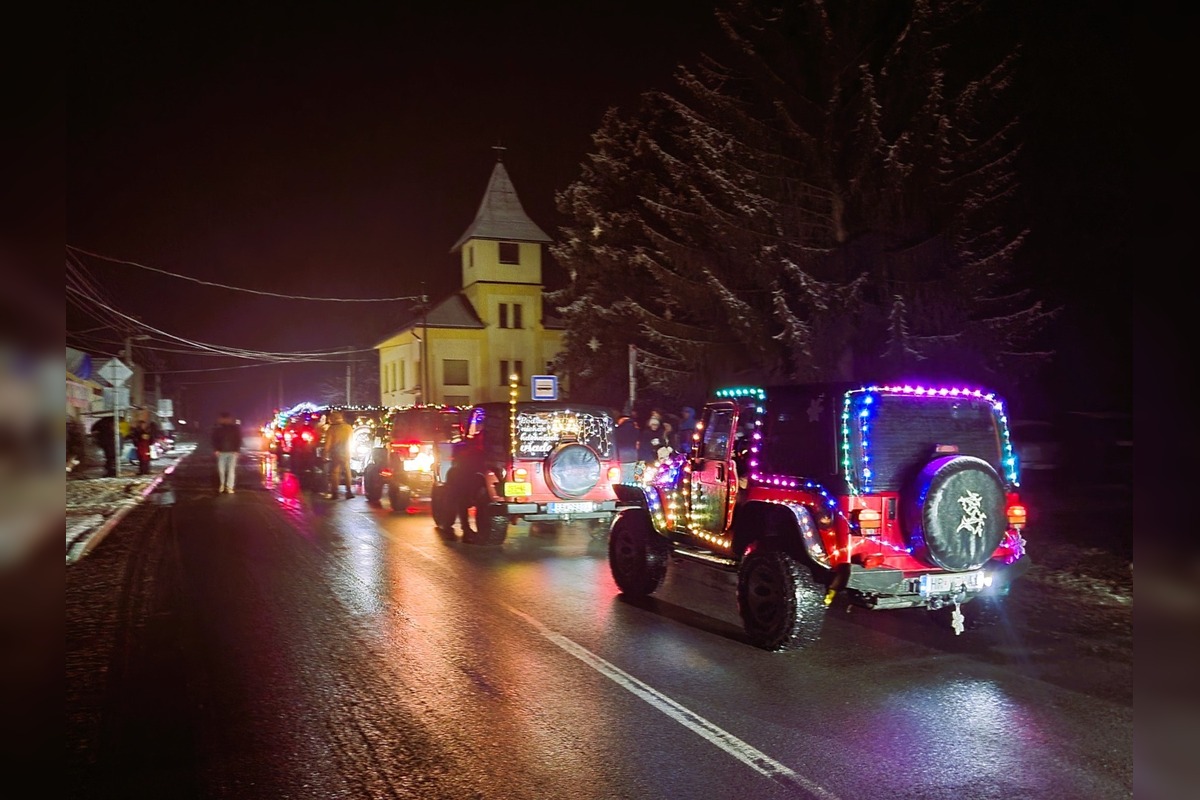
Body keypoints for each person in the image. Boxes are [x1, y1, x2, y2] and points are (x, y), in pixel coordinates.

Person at [446, 441, 486, 536]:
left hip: (465, 480)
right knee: (461, 503)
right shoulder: (477, 453)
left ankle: (463, 527)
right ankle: (465, 527)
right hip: (467, 480)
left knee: (459, 503)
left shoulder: (465, 454)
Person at [323, 410, 354, 499]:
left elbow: (328, 443)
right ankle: (349, 492)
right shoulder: (348, 427)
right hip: (346, 453)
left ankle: (335, 493)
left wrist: (325, 453)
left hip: (336, 453)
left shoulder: (332, 429)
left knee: (335, 472)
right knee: (347, 471)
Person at [211, 411, 243, 494]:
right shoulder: (218, 429)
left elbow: (238, 439)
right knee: (223, 470)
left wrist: (237, 450)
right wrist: (216, 449)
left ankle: (229, 487)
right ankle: (223, 485)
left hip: (231, 452)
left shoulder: (234, 428)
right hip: (222, 452)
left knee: (230, 470)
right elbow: (214, 440)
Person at [614, 415, 639, 483]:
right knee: (631, 475)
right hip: (633, 455)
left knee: (621, 476)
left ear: (622, 420)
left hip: (621, 455)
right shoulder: (636, 430)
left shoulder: (618, 430)